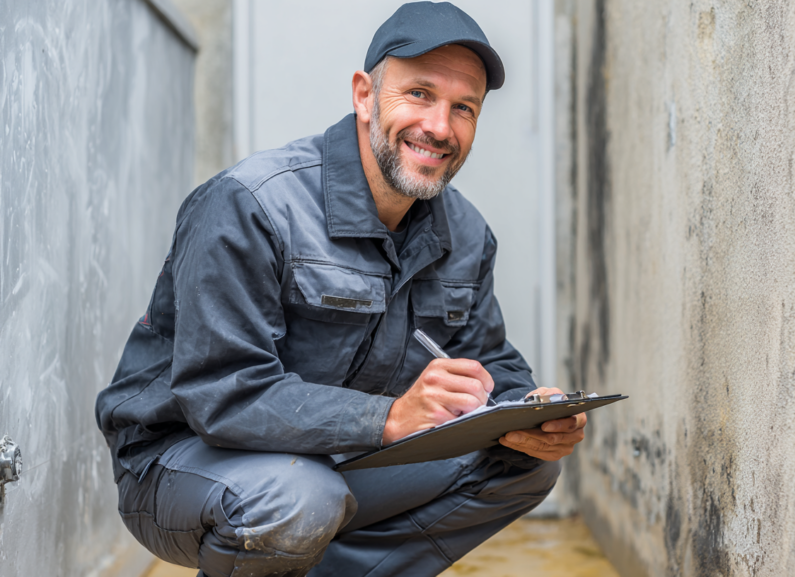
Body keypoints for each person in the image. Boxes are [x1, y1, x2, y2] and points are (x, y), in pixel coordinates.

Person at [93, 3, 588, 576]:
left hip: (331, 458)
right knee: (298, 501)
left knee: (520, 463)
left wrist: (531, 412)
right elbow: (223, 392)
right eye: (420, 94)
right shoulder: (251, 203)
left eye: (464, 108)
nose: (440, 127)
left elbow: (488, 360)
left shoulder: (466, 234)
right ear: (363, 95)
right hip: (180, 461)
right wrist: (391, 418)